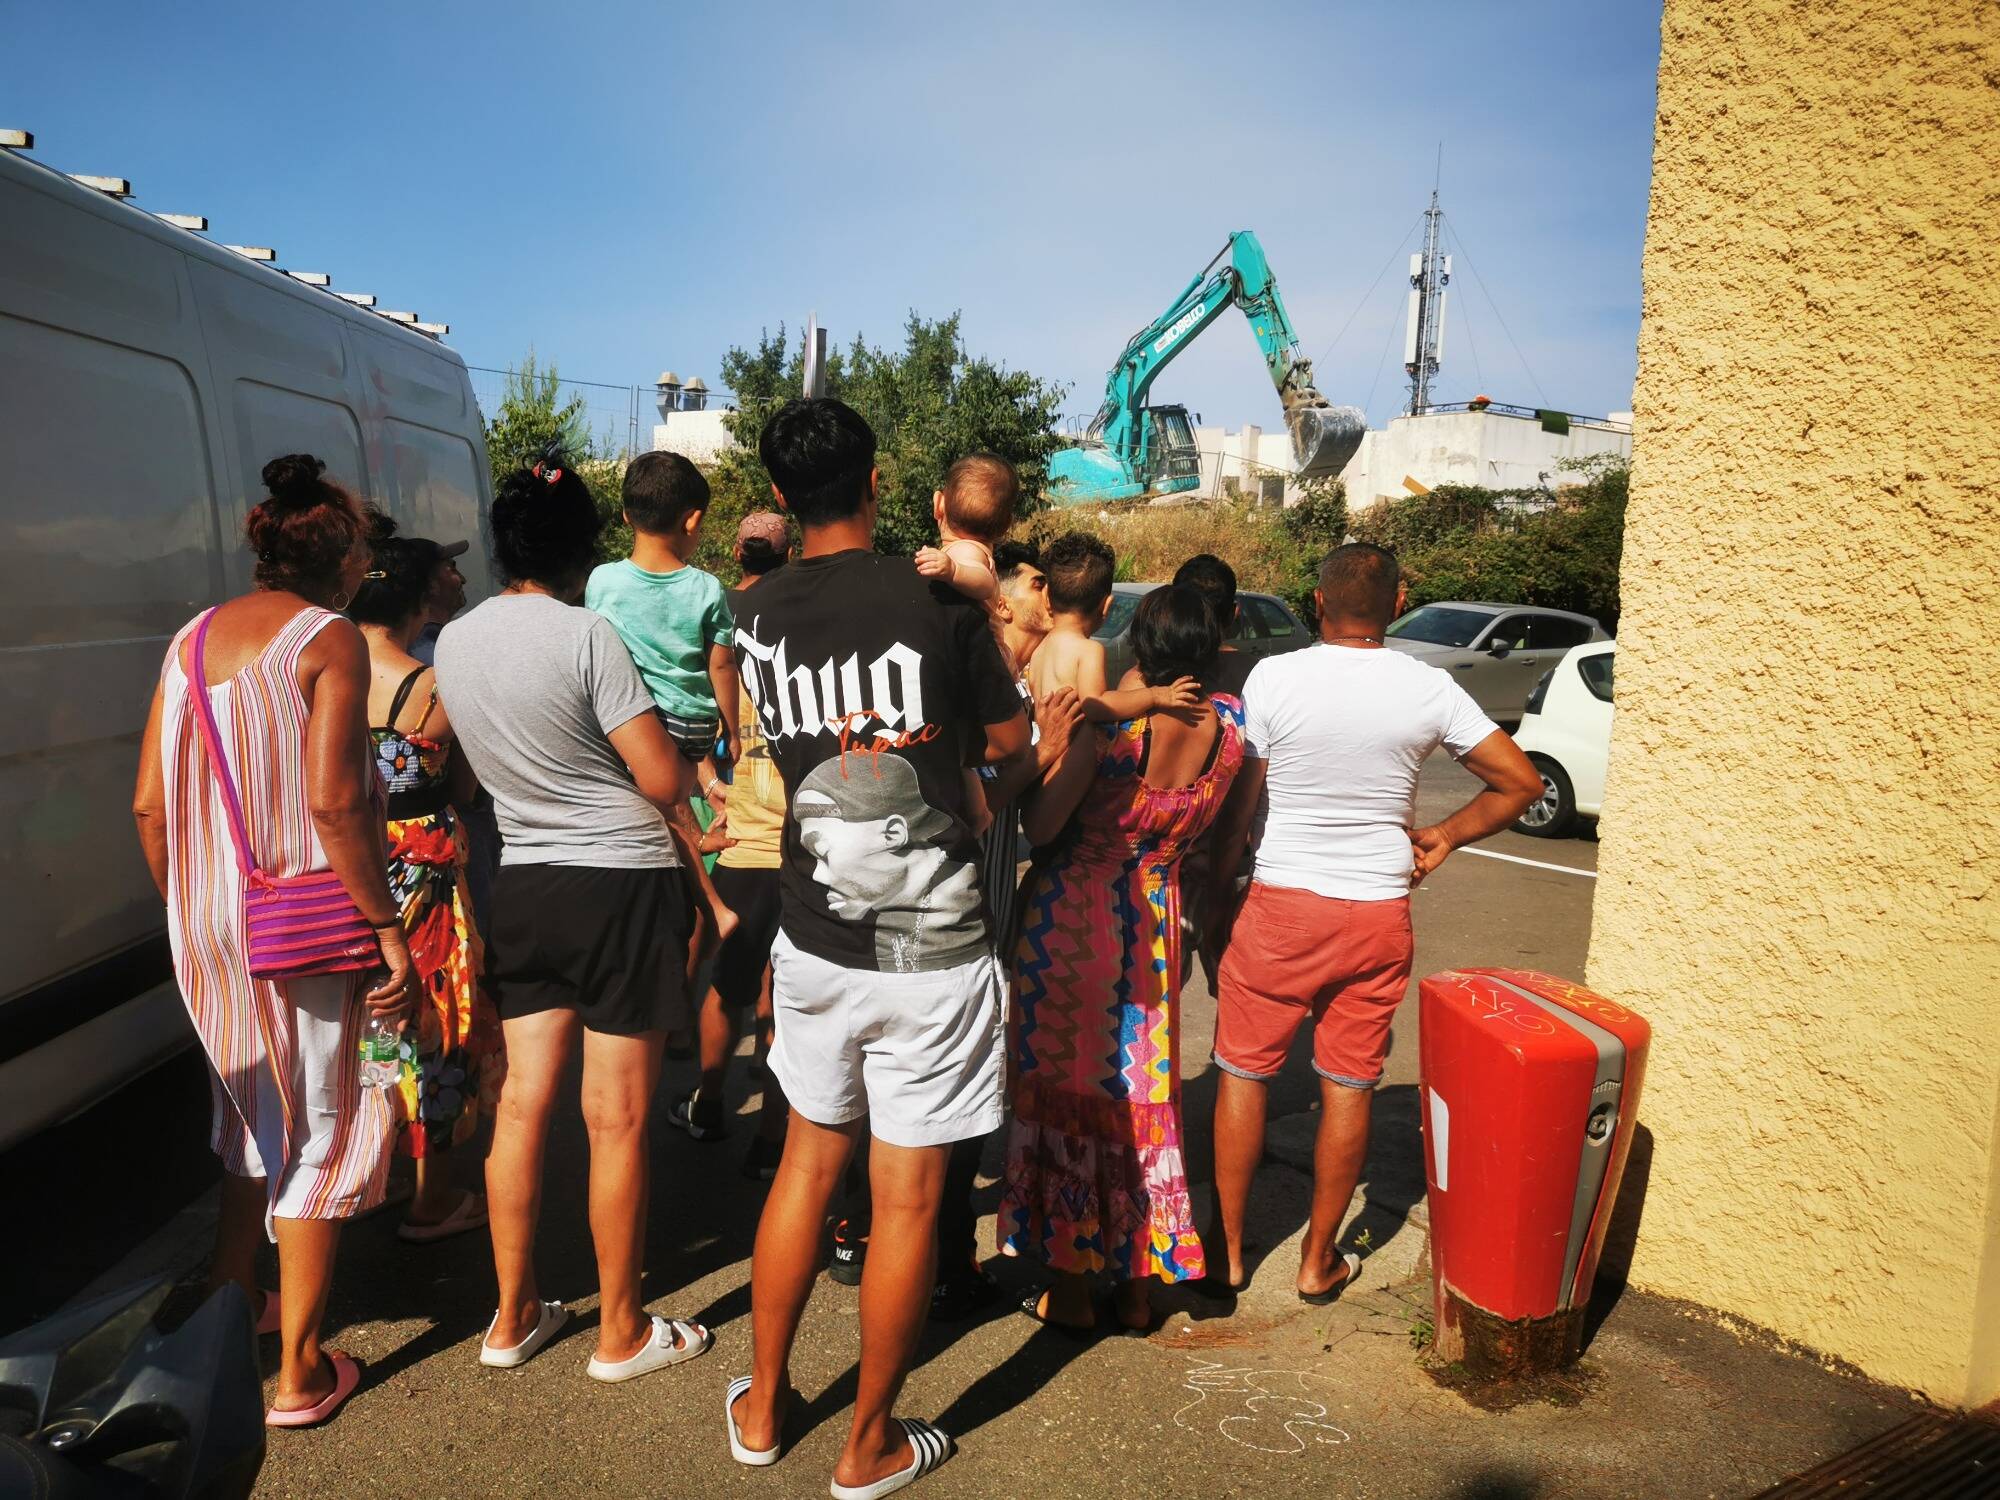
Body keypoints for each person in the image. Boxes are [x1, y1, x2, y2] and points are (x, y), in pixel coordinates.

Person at [724, 398, 1030, 1498]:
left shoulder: (753, 611)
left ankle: (761, 1408)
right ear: (872, 480)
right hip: (935, 951)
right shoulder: (933, 603)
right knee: (904, 1198)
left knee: (806, 1165)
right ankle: (867, 1446)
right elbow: (1005, 743)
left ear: (779, 491)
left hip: (813, 939)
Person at [133, 453, 417, 1428]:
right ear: (342, 563)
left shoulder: (188, 640)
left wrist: (196, 911)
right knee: (320, 1129)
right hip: (303, 921)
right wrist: (388, 932)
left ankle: (228, 1303)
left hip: (206, 925)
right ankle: (297, 1374)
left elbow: (148, 808)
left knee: (250, 1115)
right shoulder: (328, 639)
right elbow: (336, 803)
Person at [434, 456, 713, 1384]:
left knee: (520, 1100)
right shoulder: (587, 634)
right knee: (617, 1117)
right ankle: (621, 1331)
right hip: (620, 883)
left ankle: (512, 1316)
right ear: (580, 546)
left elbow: (466, 772)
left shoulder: (457, 643)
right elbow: (660, 779)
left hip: (521, 879)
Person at [1201, 544, 1542, 1300]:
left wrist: (1219, 893)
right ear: (1399, 601)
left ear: (1317, 602)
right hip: (1377, 912)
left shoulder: (1275, 677)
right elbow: (1520, 782)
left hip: (1281, 903)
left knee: (1243, 1074)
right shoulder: (1427, 688)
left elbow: (1239, 805)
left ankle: (1226, 1254)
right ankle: (1318, 1261)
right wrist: (1444, 835)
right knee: (1350, 1086)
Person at [998, 584, 1245, 1335]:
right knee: (1142, 1103)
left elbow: (1042, 826)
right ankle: (1138, 1289)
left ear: (1140, 636)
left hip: (1073, 928)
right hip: (1158, 930)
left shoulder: (1112, 731)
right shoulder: (1231, 732)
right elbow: (1223, 844)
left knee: (1074, 1103)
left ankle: (1071, 1293)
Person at [933, 541, 1082, 1323]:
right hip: (952, 930)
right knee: (953, 1113)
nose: (1045, 591)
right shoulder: (973, 668)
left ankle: (915, 1242)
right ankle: (944, 1261)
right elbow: (979, 787)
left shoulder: (1026, 681)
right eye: (1033, 581)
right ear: (1002, 600)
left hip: (985, 919)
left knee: (961, 1109)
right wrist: (1045, 753)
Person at [348, 534, 498, 1244]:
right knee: (436, 1015)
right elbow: (464, 787)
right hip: (424, 869)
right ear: (417, 602)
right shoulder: (434, 688)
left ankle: (364, 1175)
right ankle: (432, 1198)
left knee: (364, 1018)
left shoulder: (321, 675)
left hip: (348, 864)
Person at [585, 449, 742, 987]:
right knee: (672, 803)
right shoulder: (706, 589)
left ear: (626, 516)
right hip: (693, 726)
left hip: (637, 721)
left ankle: (712, 898)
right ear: (693, 519)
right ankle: (705, 838)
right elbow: (721, 662)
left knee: (664, 804)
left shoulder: (602, 582)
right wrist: (732, 728)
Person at [670, 511, 793, 1184]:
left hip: (742, 833)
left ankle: (710, 1104)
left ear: (735, 551)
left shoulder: (718, 617)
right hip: (803, 837)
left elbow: (686, 710)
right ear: (789, 552)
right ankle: (772, 1136)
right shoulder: (806, 615)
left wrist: (705, 777)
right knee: (790, 991)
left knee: (728, 985)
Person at [1027, 531, 1197, 721]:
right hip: (1076, 749)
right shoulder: (1088, 650)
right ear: (1106, 605)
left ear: (1046, 597)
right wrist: (1154, 695)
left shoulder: (1038, 650)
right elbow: (1097, 704)